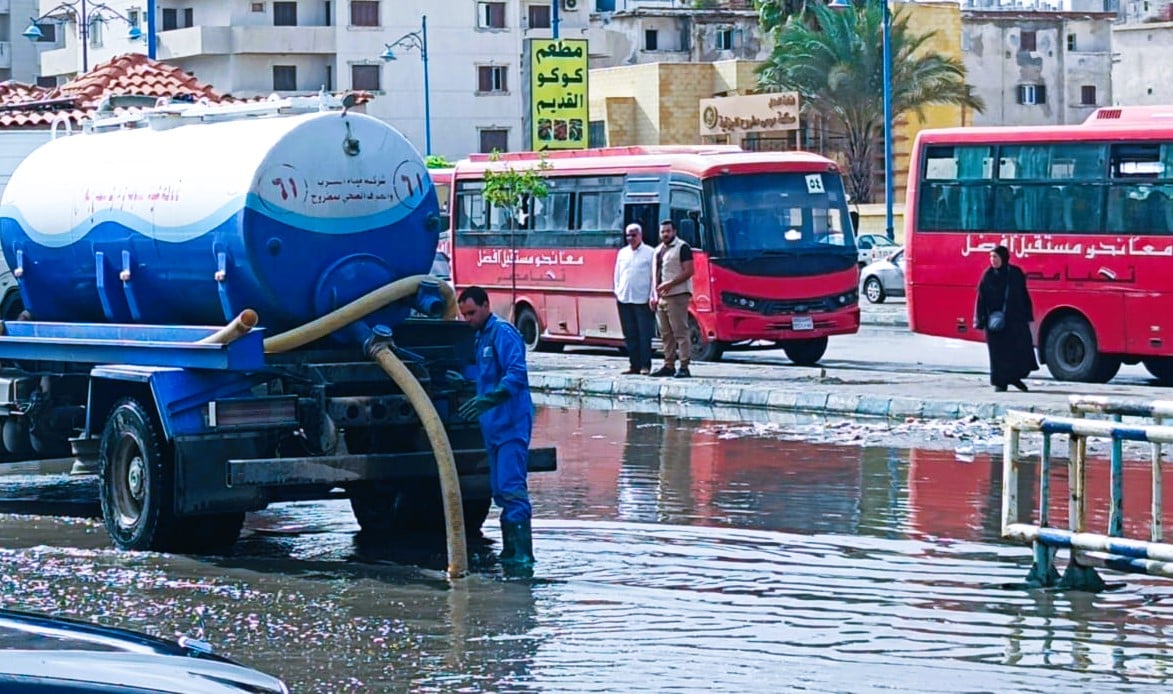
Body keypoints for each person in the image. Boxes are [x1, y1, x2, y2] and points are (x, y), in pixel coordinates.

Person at [457, 286, 536, 566]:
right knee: (500, 489)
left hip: (511, 424)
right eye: (463, 314)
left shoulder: (503, 333)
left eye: (471, 313)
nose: (468, 319)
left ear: (486, 305)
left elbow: (517, 375)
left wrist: (489, 399)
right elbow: (483, 375)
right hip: (493, 427)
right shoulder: (481, 338)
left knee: (512, 488)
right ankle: (510, 551)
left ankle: (523, 554)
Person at [974, 245, 1038, 392]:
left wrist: (1027, 314)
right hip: (994, 323)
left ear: (1004, 258)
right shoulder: (988, 276)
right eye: (991, 257)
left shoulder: (1015, 274)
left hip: (1014, 321)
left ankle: (1014, 378)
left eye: (995, 257)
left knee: (1017, 351)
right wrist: (981, 319)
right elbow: (981, 299)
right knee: (998, 353)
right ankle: (1000, 383)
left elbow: (1023, 295)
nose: (993, 260)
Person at [650, 219, 695, 378]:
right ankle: (668, 364)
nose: (665, 234)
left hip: (677, 295)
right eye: (662, 231)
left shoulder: (682, 247)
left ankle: (684, 365)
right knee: (665, 333)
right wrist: (653, 295)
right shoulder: (658, 250)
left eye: (668, 231)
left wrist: (671, 283)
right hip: (661, 297)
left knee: (680, 332)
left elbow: (689, 271)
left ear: (674, 232)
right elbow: (655, 275)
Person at [613, 223, 656, 375]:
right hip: (624, 298)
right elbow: (617, 274)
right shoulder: (623, 253)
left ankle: (645, 365)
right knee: (629, 335)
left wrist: (653, 295)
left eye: (634, 235)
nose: (631, 238)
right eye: (628, 235)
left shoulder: (650, 253)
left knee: (644, 334)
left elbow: (653, 277)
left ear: (640, 235)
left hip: (642, 299)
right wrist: (618, 291)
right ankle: (634, 365)